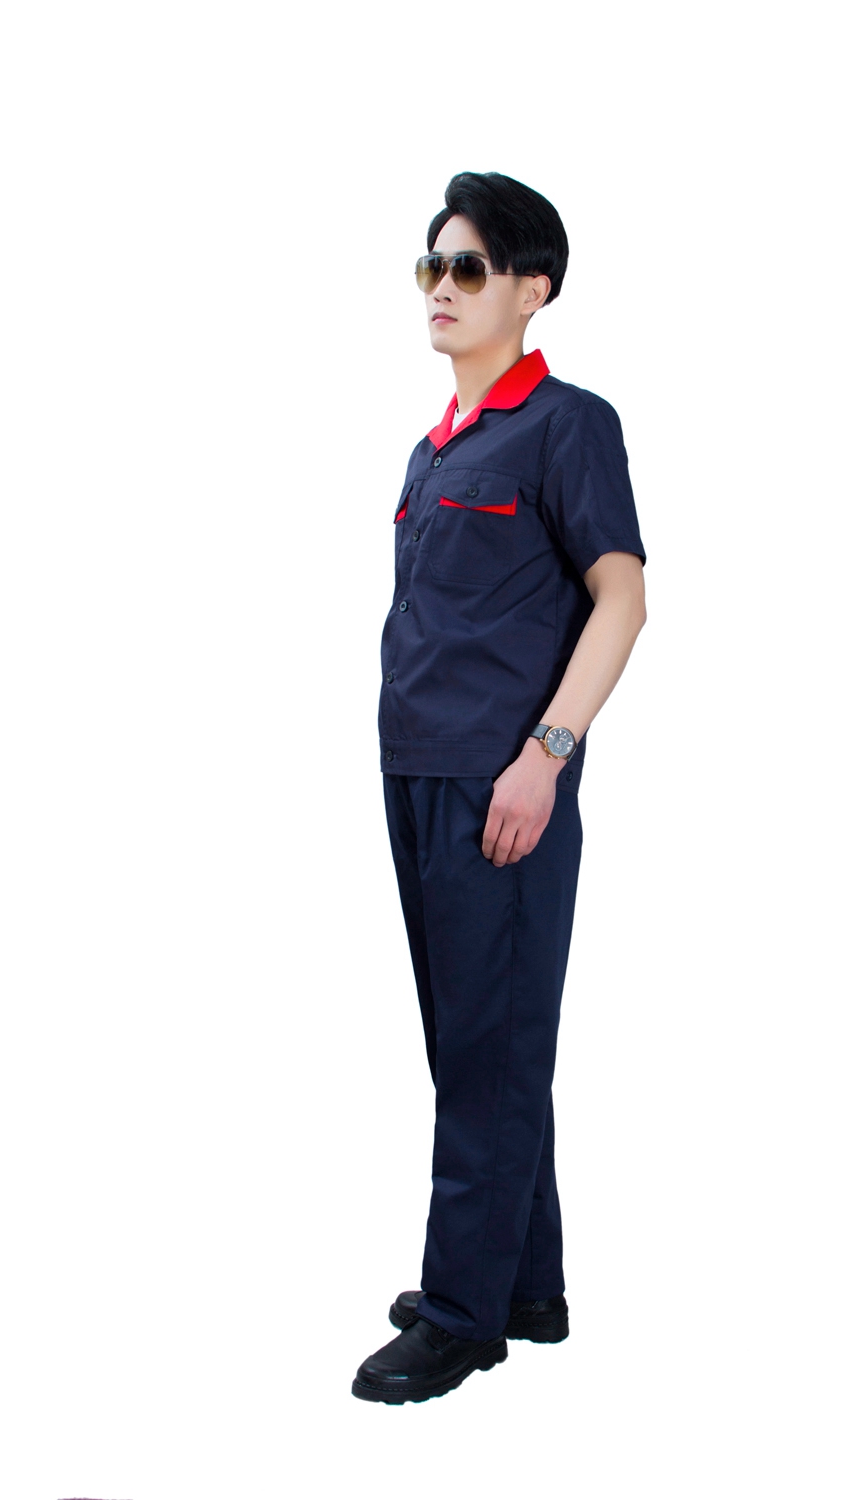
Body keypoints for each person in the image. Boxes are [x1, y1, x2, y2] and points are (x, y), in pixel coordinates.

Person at [352, 172, 647, 1404]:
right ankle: (525, 1283)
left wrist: (547, 753)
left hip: (500, 780)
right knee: (477, 1040)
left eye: (467, 267)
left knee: (487, 1047)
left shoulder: (566, 424)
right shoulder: (434, 449)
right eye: (432, 265)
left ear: (532, 289)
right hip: (416, 770)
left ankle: (461, 1314)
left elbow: (622, 598)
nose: (442, 287)